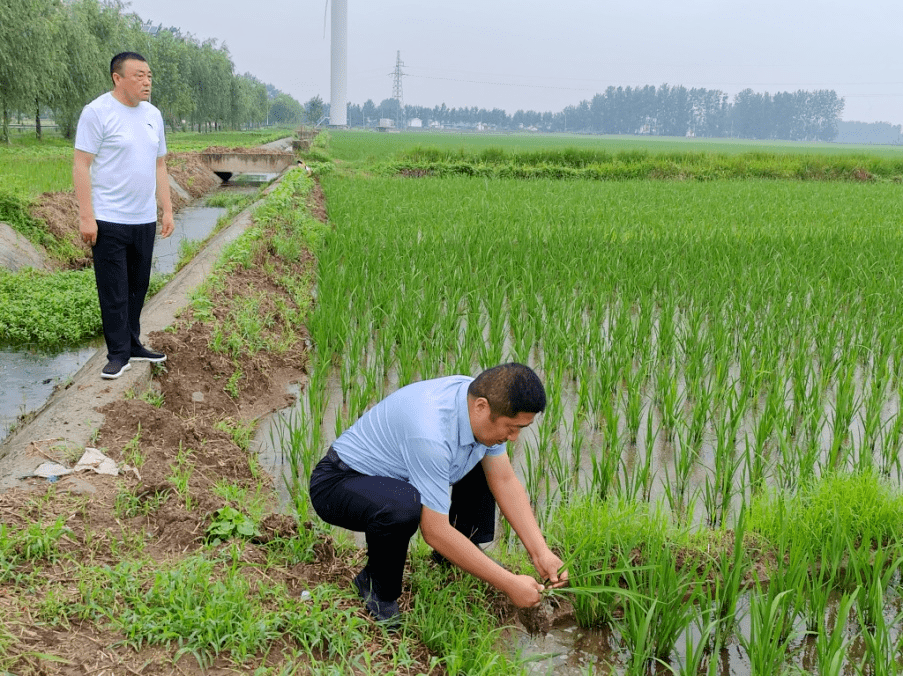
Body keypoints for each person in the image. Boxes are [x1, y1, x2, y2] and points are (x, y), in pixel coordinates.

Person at [309, 362, 568, 627]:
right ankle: (377, 588)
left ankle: (459, 550)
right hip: (340, 483)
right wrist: (509, 583)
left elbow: (503, 479)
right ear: (482, 407)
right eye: (511, 427)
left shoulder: (482, 402)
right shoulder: (431, 431)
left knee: (483, 455)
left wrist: (541, 553)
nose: (514, 438)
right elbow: (434, 532)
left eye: (520, 429)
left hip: (396, 475)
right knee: (403, 504)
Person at [73, 51, 174, 380]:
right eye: (139, 75)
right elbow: (81, 165)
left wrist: (167, 208)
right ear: (118, 78)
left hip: (143, 219)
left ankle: (132, 343)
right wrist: (86, 216)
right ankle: (117, 354)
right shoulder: (97, 112)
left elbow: (159, 165)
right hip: (109, 219)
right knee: (114, 288)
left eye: (149, 76)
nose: (147, 82)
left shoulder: (153, 115)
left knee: (137, 286)